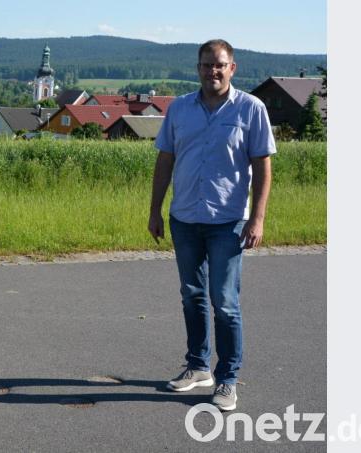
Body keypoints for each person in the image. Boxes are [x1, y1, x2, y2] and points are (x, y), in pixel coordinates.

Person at [148, 39, 276, 411]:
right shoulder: (179, 109)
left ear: (232, 68)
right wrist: (155, 210)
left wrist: (258, 218)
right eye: (206, 65)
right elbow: (165, 160)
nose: (212, 71)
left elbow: (262, 167)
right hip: (185, 218)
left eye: (219, 65)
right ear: (198, 68)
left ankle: (228, 379)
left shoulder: (251, 108)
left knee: (225, 302)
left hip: (228, 222)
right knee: (192, 295)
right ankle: (198, 366)